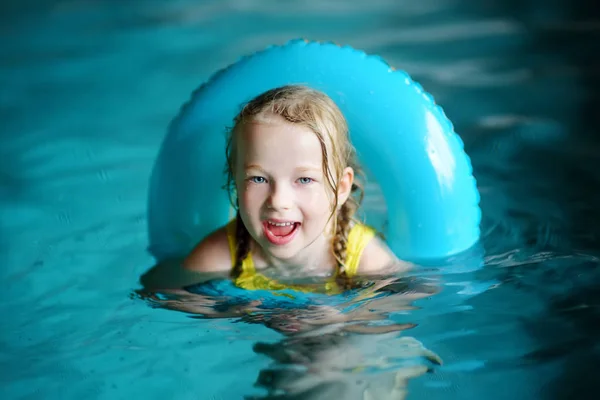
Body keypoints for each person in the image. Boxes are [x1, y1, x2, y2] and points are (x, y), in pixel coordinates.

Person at [183, 84, 411, 293]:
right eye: (259, 179)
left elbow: (401, 306)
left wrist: (339, 321)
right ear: (236, 179)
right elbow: (169, 300)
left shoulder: (368, 260)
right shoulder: (218, 257)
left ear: (340, 188)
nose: (278, 201)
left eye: (303, 180)